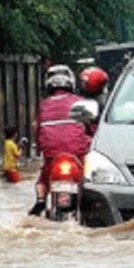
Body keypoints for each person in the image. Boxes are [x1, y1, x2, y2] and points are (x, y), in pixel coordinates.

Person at [29, 65, 97, 216]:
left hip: (51, 153)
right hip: (76, 151)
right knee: (90, 173)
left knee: (44, 175)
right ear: (71, 83)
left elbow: (38, 130)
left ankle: (40, 200)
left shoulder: (44, 105)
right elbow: (93, 128)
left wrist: (40, 147)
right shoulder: (79, 102)